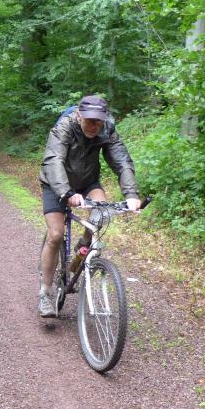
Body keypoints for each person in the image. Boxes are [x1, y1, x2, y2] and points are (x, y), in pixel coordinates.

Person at [38, 95, 141, 317]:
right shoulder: (64, 127)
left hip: (87, 182)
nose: (94, 126)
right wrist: (66, 192)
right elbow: (54, 160)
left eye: (98, 121)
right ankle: (45, 292)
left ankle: (84, 245)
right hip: (55, 183)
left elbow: (122, 162)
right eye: (89, 120)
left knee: (102, 214)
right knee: (56, 235)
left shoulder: (107, 129)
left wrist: (131, 195)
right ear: (79, 115)